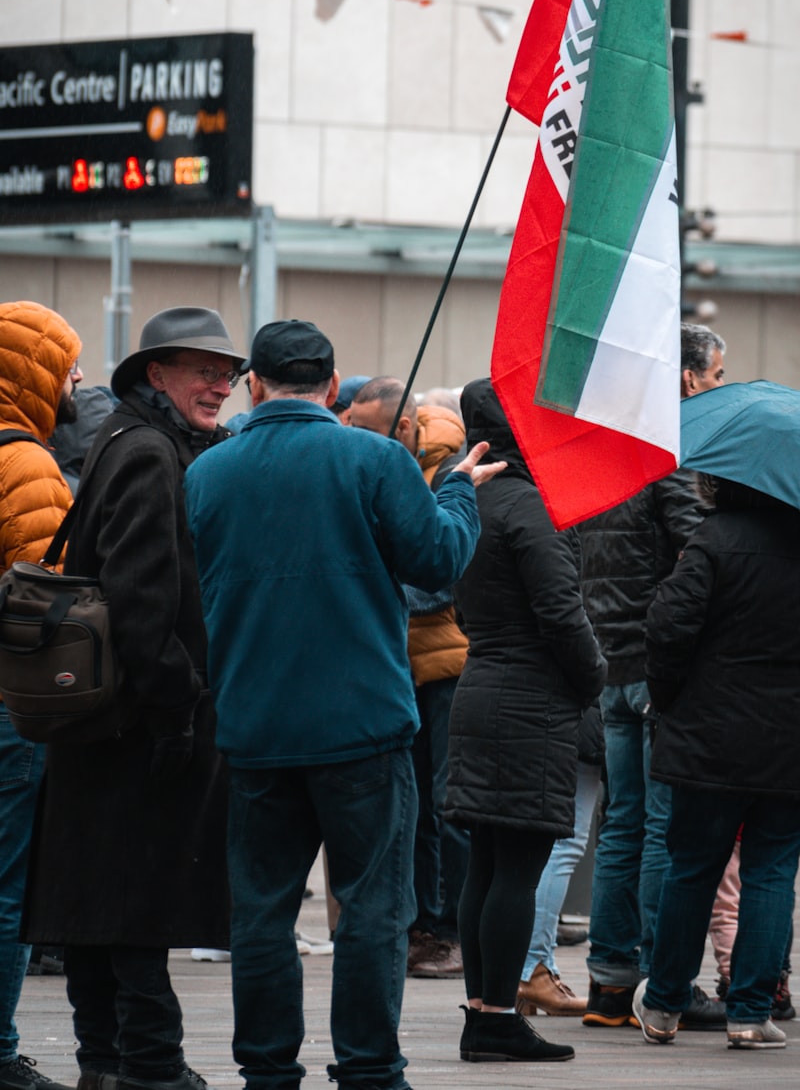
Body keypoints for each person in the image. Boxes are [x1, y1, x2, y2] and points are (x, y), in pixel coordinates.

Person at [184, 319, 503, 1090]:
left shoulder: (208, 473)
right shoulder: (376, 457)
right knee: (371, 911)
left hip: (254, 725)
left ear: (253, 385)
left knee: (261, 912)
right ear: (332, 387)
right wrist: (457, 489)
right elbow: (438, 558)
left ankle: (266, 1070)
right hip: (362, 727)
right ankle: (368, 1069)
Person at [22, 306, 247, 1090]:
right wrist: (179, 707)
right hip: (136, 722)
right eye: (202, 370)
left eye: (227, 372)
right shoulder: (152, 452)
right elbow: (143, 599)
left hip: (96, 718)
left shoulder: (122, 436)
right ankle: (149, 1066)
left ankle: (103, 1063)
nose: (221, 385)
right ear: (158, 373)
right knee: (136, 906)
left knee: (93, 904)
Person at [445, 378, 607, 1065]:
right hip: (530, 701)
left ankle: (483, 1012)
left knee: (487, 862)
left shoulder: (466, 500)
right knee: (518, 864)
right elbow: (560, 612)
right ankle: (496, 1018)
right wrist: (593, 675)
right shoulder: (530, 507)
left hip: (480, 684)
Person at [579, 322, 727, 1029]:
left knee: (622, 826)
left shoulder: (595, 456)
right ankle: (664, 984)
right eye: (715, 376)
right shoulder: (661, 460)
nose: (717, 387)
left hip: (608, 661)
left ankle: (610, 982)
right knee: (665, 830)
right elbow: (699, 551)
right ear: (687, 379)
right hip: (661, 669)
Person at [633, 476, 800, 1049]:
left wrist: (671, 695)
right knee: (773, 871)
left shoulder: (713, 539)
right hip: (788, 740)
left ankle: (662, 1004)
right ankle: (751, 1012)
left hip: (709, 735)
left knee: (693, 867)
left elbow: (667, 625)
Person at [349, 378, 469, 979]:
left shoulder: (451, 472)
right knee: (414, 803)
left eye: (365, 432)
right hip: (400, 663)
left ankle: (450, 930)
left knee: (449, 803)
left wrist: (376, 572)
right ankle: (422, 924)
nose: (355, 444)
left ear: (400, 427)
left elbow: (439, 576)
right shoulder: (383, 462)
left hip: (446, 662)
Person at [0, 300, 82, 1090]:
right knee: (5, 885)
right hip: (8, 704)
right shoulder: (24, 463)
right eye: (68, 369)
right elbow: (47, 598)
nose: (77, 384)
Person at [516, 704, 603, 1016]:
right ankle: (533, 970)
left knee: (541, 844)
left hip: (529, 719)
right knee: (564, 844)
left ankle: (530, 971)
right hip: (570, 718)